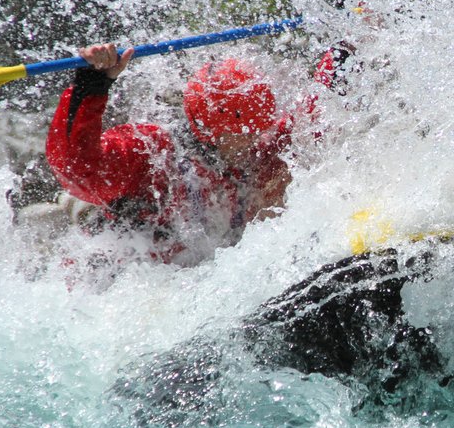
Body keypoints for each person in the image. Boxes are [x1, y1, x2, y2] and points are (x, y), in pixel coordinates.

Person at [46, 43, 310, 265]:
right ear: (210, 131)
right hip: (123, 281)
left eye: (260, 128)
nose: (256, 139)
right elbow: (79, 169)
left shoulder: (257, 153)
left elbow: (313, 111)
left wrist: (344, 50)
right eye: (245, 132)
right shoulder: (152, 152)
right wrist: (91, 87)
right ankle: (73, 210)